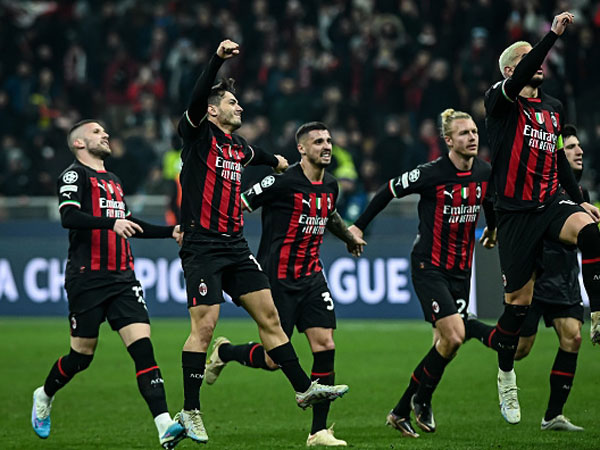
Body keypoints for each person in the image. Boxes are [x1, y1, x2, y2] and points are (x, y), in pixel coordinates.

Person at [175, 40, 349, 444]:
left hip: (236, 246)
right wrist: (216, 60)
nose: (240, 107)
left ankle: (304, 389)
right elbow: (197, 97)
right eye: (232, 103)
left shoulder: (237, 147)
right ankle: (190, 410)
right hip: (202, 245)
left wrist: (276, 161)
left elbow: (257, 155)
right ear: (212, 111)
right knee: (205, 326)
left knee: (270, 319)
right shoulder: (198, 135)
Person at [203, 122, 365, 447]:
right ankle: (225, 351)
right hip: (277, 279)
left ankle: (318, 431)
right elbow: (239, 203)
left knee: (325, 345)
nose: (326, 146)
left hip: (312, 277)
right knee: (272, 360)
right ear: (301, 149)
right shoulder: (280, 181)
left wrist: (348, 236)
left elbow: (329, 214)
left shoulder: (331, 184)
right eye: (318, 141)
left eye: (329, 140)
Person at [31, 120, 186, 449]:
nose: (105, 135)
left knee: (143, 348)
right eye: (97, 132)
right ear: (79, 143)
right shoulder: (74, 175)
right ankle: (44, 394)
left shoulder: (113, 180)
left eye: (105, 131)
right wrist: (111, 222)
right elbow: (69, 217)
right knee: (81, 356)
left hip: (123, 278)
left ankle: (164, 425)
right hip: (87, 277)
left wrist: (169, 231)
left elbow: (128, 222)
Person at [483, 11, 600, 425]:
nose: (539, 63)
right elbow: (524, 71)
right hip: (515, 215)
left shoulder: (553, 108)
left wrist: (579, 200)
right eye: (528, 59)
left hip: (549, 202)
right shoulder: (499, 101)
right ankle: (505, 375)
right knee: (516, 309)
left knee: (591, 232)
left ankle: (598, 313)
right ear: (512, 70)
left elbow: (558, 161)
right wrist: (550, 36)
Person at [349, 109, 494, 437]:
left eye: (474, 131)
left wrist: (494, 228)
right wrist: (358, 226)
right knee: (455, 335)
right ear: (449, 141)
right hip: (429, 265)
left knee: (446, 345)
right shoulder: (430, 173)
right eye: (464, 133)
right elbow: (388, 190)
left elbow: (489, 200)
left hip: (461, 270)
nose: (472, 137)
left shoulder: (485, 171)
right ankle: (423, 399)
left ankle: (403, 409)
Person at [466, 124, 585, 432]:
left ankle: (553, 415)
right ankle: (471, 327)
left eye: (578, 146)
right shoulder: (537, 189)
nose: (579, 151)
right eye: (571, 147)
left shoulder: (579, 197)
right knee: (519, 349)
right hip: (535, 276)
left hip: (564, 277)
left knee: (573, 338)